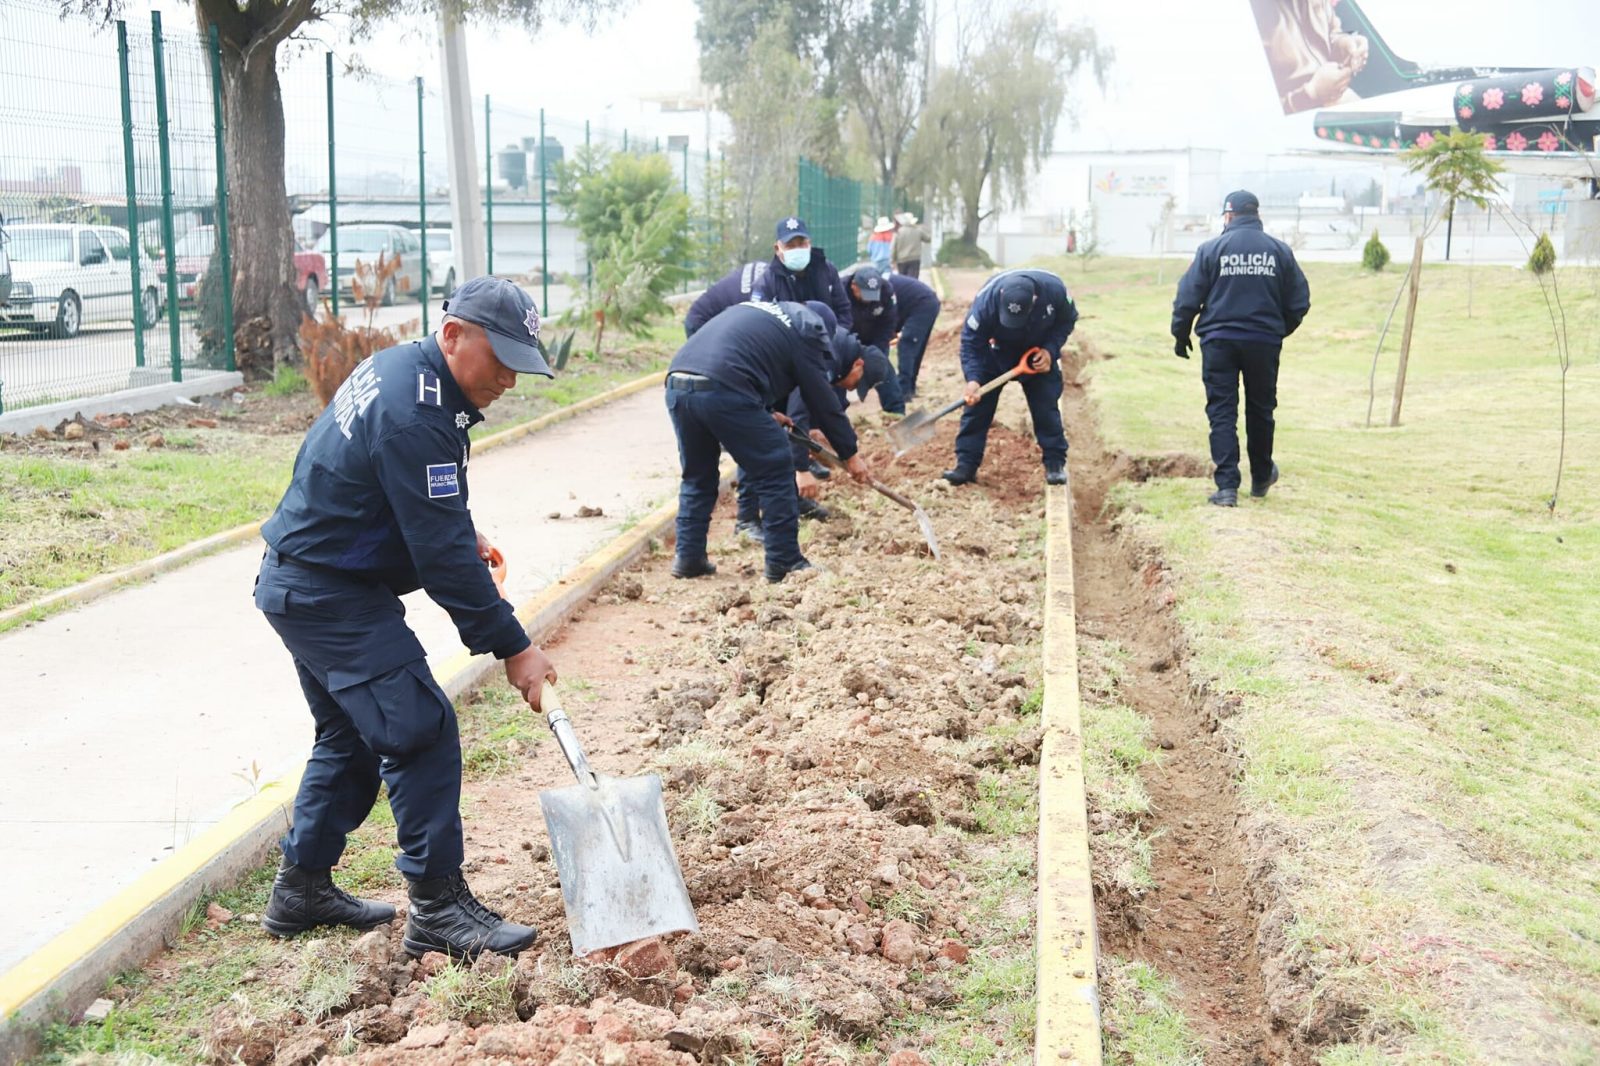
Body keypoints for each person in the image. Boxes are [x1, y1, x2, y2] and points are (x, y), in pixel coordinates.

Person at [254, 276, 558, 960]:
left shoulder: (410, 374)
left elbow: (411, 504)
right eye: (501, 358)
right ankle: (438, 907)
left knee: (351, 739)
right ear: (453, 336)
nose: (511, 378)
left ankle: (301, 888)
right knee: (420, 724)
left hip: (307, 581)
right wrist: (515, 648)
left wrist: (457, 529)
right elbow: (446, 563)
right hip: (327, 593)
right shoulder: (414, 409)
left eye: (521, 362)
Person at [666, 299, 873, 583]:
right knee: (775, 468)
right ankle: (785, 562)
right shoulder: (807, 329)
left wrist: (766, 413)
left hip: (678, 383)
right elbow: (822, 401)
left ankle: (688, 558)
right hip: (725, 387)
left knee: (697, 475)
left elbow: (745, 361)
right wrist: (850, 453)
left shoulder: (762, 312)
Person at [1172, 190, 1310, 507]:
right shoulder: (1279, 251)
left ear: (1229, 216)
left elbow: (1187, 297)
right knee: (1261, 410)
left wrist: (1181, 334)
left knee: (1222, 411)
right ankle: (1261, 477)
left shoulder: (1211, 250)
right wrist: (1276, 329)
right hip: (1264, 341)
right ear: (1257, 215)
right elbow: (1299, 302)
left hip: (1219, 342)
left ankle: (1226, 488)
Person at [944, 269, 1077, 488]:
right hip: (996, 352)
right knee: (977, 410)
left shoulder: (1055, 291)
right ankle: (965, 465)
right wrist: (974, 379)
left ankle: (1055, 464)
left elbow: (1067, 321)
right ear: (1002, 295)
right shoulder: (986, 302)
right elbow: (971, 343)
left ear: (1035, 300)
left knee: (1046, 407)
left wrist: (1050, 351)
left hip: (1036, 354)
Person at [684, 216, 852, 337]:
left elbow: (843, 311)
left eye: (801, 243)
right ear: (777, 249)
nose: (797, 249)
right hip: (707, 323)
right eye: (790, 246)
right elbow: (759, 328)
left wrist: (835, 340)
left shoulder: (826, 270)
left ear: (809, 243)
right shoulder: (766, 282)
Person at [839, 264, 906, 414]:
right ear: (854, 286)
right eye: (864, 293)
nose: (869, 300)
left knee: (885, 374)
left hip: (873, 341)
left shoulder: (886, 291)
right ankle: (837, 416)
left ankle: (896, 413)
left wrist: (878, 352)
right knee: (838, 378)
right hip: (844, 341)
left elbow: (887, 324)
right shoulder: (839, 290)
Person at [885, 271, 941, 402]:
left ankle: (904, 391)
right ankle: (910, 388)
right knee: (915, 347)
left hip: (923, 304)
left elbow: (891, 316)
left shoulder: (883, 289)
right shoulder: (882, 284)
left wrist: (891, 332)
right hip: (927, 302)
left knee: (908, 345)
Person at [892, 212, 931, 277]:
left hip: (901, 260)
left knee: (903, 280)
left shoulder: (898, 232)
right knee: (913, 281)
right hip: (914, 259)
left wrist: (892, 260)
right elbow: (928, 239)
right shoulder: (918, 231)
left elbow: (893, 248)